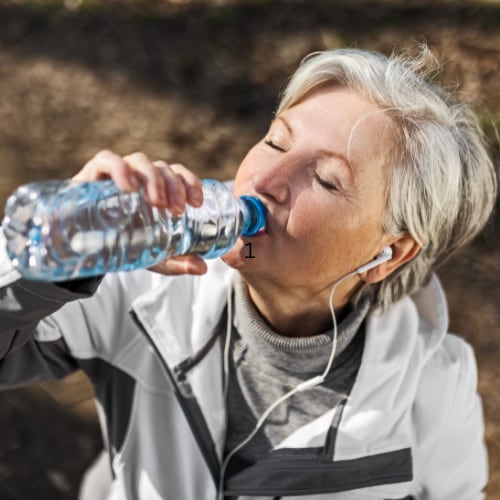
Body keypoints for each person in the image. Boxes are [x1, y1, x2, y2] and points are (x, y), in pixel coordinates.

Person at [0, 45, 497, 500]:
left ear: (389, 254)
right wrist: (54, 261)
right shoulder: (137, 291)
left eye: (326, 179)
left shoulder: (435, 387)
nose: (263, 180)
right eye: (276, 142)